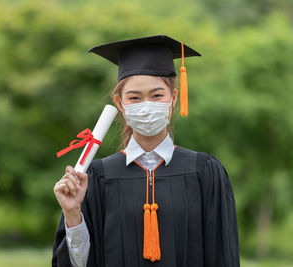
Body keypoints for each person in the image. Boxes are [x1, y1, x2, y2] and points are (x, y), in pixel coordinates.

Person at [52, 35, 240, 267]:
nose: (146, 105)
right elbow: (79, 264)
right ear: (120, 104)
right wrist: (72, 215)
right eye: (134, 97)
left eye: (157, 95)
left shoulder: (205, 173)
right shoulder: (95, 178)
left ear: (174, 98)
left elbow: (223, 256)